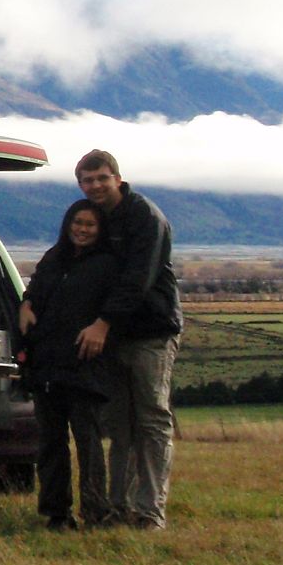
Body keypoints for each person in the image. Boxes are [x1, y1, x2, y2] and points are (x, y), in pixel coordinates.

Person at [72, 149, 182, 530]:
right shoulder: (94, 217)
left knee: (152, 419)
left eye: (102, 178)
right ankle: (119, 506)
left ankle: (150, 510)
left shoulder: (144, 216)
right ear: (80, 185)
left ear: (117, 178)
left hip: (151, 331)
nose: (96, 186)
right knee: (120, 425)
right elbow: (68, 257)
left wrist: (102, 323)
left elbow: (139, 278)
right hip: (115, 337)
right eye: (88, 180)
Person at [19, 200, 116, 530]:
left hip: (85, 365)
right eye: (78, 222)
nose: (83, 229)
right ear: (67, 224)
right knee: (50, 443)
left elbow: (116, 308)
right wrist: (26, 304)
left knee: (88, 444)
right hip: (47, 363)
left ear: (100, 230)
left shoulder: (108, 264)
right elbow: (34, 290)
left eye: (90, 224)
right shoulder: (53, 257)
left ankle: (95, 512)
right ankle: (56, 513)